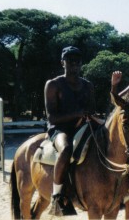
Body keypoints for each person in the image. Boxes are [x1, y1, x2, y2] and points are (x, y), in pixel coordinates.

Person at [45, 46, 96, 216]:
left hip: (83, 126)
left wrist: (88, 117)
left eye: (77, 62)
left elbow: (91, 110)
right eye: (69, 61)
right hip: (59, 129)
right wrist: (77, 114)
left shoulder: (88, 86)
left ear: (81, 64)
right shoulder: (53, 85)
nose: (73, 65)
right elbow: (52, 118)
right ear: (62, 63)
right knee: (66, 149)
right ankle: (57, 195)